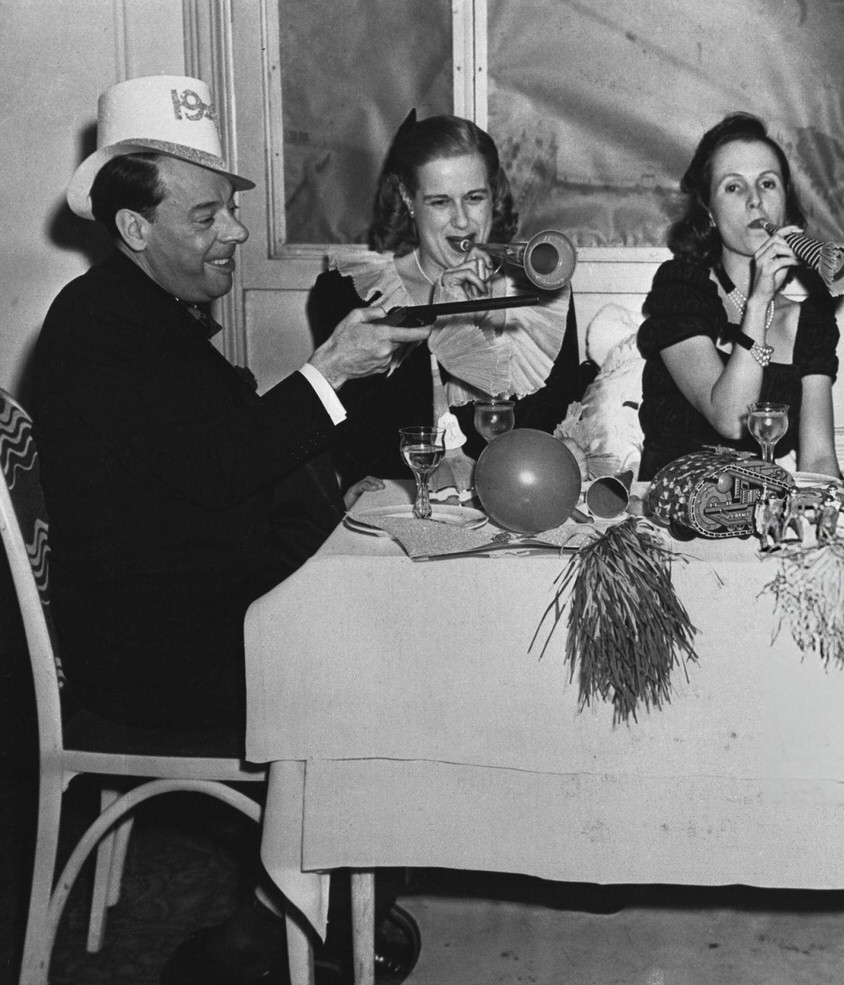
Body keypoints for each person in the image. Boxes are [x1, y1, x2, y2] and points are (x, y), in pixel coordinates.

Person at [33, 75, 423, 984]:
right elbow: (221, 468)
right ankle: (279, 924)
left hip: (193, 620)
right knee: (380, 675)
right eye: (207, 216)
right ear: (135, 228)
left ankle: (325, 898)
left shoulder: (144, 317)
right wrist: (330, 370)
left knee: (385, 642)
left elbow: (222, 457)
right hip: (155, 662)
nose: (237, 233)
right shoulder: (100, 327)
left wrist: (350, 381)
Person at [308, 111, 595, 490]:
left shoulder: (538, 292)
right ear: (409, 200)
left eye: (475, 198)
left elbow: (544, 429)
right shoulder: (348, 292)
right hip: (394, 510)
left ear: (494, 195)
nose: (462, 221)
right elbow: (364, 443)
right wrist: (444, 312)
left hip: (511, 503)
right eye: (440, 202)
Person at [636, 113, 841, 481]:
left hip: (756, 513)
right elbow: (731, 418)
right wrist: (759, 301)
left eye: (768, 183)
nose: (755, 202)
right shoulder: (681, 290)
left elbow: (820, 461)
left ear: (785, 204)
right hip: (672, 519)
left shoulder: (810, 322)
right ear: (709, 213)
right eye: (733, 187)